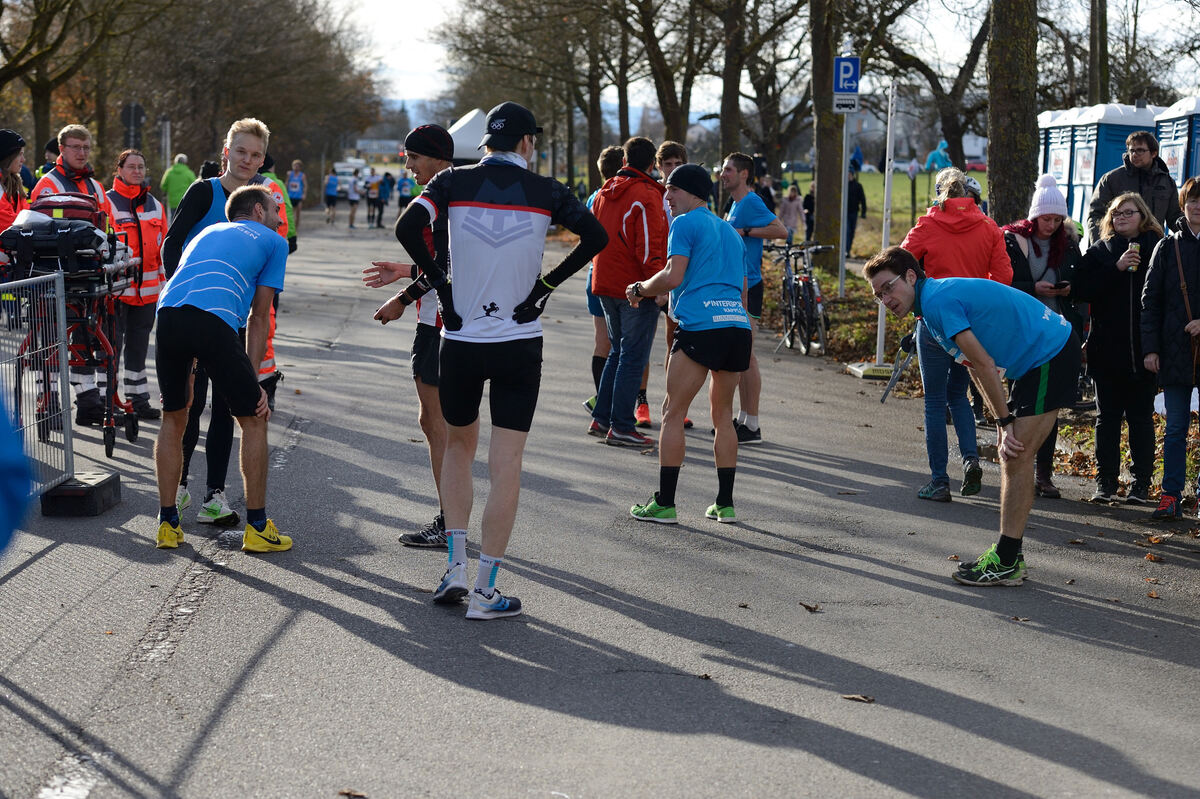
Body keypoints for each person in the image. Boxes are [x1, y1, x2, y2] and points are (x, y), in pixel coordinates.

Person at [393, 101, 607, 619]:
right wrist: (545, 287)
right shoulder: (548, 190)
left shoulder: (450, 183)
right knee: (506, 461)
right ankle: (487, 592)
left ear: (485, 142)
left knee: (458, 450)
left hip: (461, 338)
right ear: (528, 143)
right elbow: (596, 237)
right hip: (519, 339)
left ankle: (455, 570)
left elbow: (406, 229)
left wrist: (443, 287)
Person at [866, 246, 1080, 586]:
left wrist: (1007, 424)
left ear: (910, 276)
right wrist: (1001, 421)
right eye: (878, 296)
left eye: (888, 287)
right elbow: (979, 369)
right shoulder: (927, 312)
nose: (886, 299)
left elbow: (983, 364)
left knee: (1016, 456)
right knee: (1013, 453)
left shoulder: (937, 301)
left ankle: (1008, 560)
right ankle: (1011, 555)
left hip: (1049, 352)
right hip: (1033, 361)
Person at [153, 184, 291, 553]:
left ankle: (167, 525)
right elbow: (259, 316)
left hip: (167, 317)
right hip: (214, 322)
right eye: (276, 210)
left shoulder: (207, 232)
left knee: (174, 416)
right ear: (259, 211)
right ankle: (258, 528)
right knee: (254, 418)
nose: (281, 219)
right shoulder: (274, 241)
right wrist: (256, 379)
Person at [626, 164, 752, 524]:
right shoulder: (731, 232)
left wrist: (638, 289)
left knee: (672, 413)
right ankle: (724, 504)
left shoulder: (684, 224)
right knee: (723, 417)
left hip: (700, 325)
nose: (667, 197)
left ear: (694, 193)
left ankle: (665, 502)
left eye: (672, 190)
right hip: (736, 326)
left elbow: (672, 275)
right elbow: (742, 293)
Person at [365, 124, 456, 548]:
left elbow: (447, 266)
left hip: (438, 323)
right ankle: (452, 518)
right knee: (441, 423)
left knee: (438, 424)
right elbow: (445, 263)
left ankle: (450, 522)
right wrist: (404, 271)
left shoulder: (441, 196)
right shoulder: (459, 191)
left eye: (413, 157)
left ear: (438, 158)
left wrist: (403, 297)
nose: (407, 164)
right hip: (450, 321)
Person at [900, 166, 1011, 502]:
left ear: (939, 193)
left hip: (933, 321)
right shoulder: (988, 226)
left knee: (934, 402)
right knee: (959, 397)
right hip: (970, 327)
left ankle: (939, 480)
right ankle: (970, 460)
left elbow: (901, 260)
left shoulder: (928, 224)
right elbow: (1003, 277)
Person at [1071, 192, 1162, 504]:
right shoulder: (1101, 251)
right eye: (1116, 213)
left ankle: (1140, 485)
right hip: (1107, 350)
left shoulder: (1158, 248)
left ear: (1143, 216)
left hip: (1144, 351)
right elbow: (1080, 289)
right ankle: (1106, 481)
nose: (1121, 218)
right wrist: (1116, 268)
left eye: (1129, 213)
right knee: (1107, 418)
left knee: (1140, 418)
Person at [1001, 174, 1083, 499]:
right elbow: (1002, 284)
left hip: (1057, 333)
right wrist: (1031, 288)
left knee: (1050, 407)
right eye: (1047, 218)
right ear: (1035, 216)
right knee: (1021, 402)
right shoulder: (1012, 240)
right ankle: (1019, 465)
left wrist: (1067, 288)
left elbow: (1079, 281)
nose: (1052, 225)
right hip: (1022, 332)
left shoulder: (1068, 243)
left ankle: (1043, 474)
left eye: (1057, 219)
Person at [31, 124, 115, 425]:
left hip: (87, 274)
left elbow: (106, 228)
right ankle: (49, 402)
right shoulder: (47, 185)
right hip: (53, 274)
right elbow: (34, 229)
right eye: (75, 147)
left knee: (86, 338)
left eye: (85, 148)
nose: (81, 153)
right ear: (62, 150)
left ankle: (89, 400)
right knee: (51, 341)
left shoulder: (95, 186)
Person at [589, 137, 668, 448]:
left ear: (624, 161)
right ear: (652, 165)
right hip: (635, 287)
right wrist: (657, 286)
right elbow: (649, 247)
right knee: (633, 356)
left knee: (618, 352)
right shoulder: (646, 195)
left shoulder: (605, 192)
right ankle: (621, 425)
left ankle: (602, 416)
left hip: (604, 281)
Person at [1140, 177, 1200, 521]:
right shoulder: (1167, 247)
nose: (1197, 206)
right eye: (1192, 200)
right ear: (1182, 203)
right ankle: (1170, 495)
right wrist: (1151, 349)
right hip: (1175, 350)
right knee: (1175, 427)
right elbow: (1150, 302)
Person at [719, 152, 787, 444]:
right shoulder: (733, 205)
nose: (723, 174)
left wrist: (746, 230)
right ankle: (743, 419)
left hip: (751, 285)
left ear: (744, 174)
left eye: (729, 170)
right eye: (723, 170)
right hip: (736, 285)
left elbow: (780, 231)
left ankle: (753, 423)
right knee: (739, 354)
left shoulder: (751, 201)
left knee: (747, 354)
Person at [107, 149, 167, 420]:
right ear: (119, 170)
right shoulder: (107, 202)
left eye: (141, 166)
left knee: (139, 349)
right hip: (116, 293)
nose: (137, 171)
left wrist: (166, 287)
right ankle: (107, 400)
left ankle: (138, 399)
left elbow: (164, 249)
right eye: (131, 166)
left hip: (147, 294)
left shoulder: (155, 204)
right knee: (110, 348)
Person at [581, 145, 624, 413]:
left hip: (594, 275)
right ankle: (607, 404)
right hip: (614, 277)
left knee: (603, 342)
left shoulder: (594, 198)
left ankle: (602, 400)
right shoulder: (619, 197)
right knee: (619, 345)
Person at [1087, 131, 1182, 245]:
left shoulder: (1166, 182)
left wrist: (1193, 238)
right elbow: (1096, 216)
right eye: (1131, 150)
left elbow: (1174, 218)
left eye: (1140, 150)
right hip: (1118, 248)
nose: (1135, 154)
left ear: (1153, 153)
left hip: (1153, 248)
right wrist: (1101, 248)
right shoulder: (1111, 179)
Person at [0, 130, 28, 232]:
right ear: (7, 157)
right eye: (19, 154)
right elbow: (8, 226)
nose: (23, 159)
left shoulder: (14, 185)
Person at [159, 154, 196, 222]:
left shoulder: (169, 172)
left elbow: (163, 186)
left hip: (173, 202)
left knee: (173, 222)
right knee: (185, 221)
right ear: (185, 162)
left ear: (175, 162)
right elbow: (196, 186)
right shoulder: (189, 173)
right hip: (186, 202)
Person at [845, 165, 867, 254]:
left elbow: (862, 199)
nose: (848, 175)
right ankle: (845, 251)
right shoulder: (843, 185)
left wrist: (863, 212)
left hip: (854, 212)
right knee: (846, 231)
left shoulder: (858, 186)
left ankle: (848, 250)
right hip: (844, 213)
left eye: (850, 173)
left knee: (851, 232)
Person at [285, 159, 306, 230]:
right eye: (294, 165)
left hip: (299, 197)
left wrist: (304, 194)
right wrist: (284, 193)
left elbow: (305, 185)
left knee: (298, 214)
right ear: (292, 166)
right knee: (290, 214)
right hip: (290, 196)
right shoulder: (289, 174)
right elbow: (286, 183)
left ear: (300, 167)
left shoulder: (302, 175)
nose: (296, 167)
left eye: (297, 166)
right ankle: (291, 228)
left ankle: (296, 229)